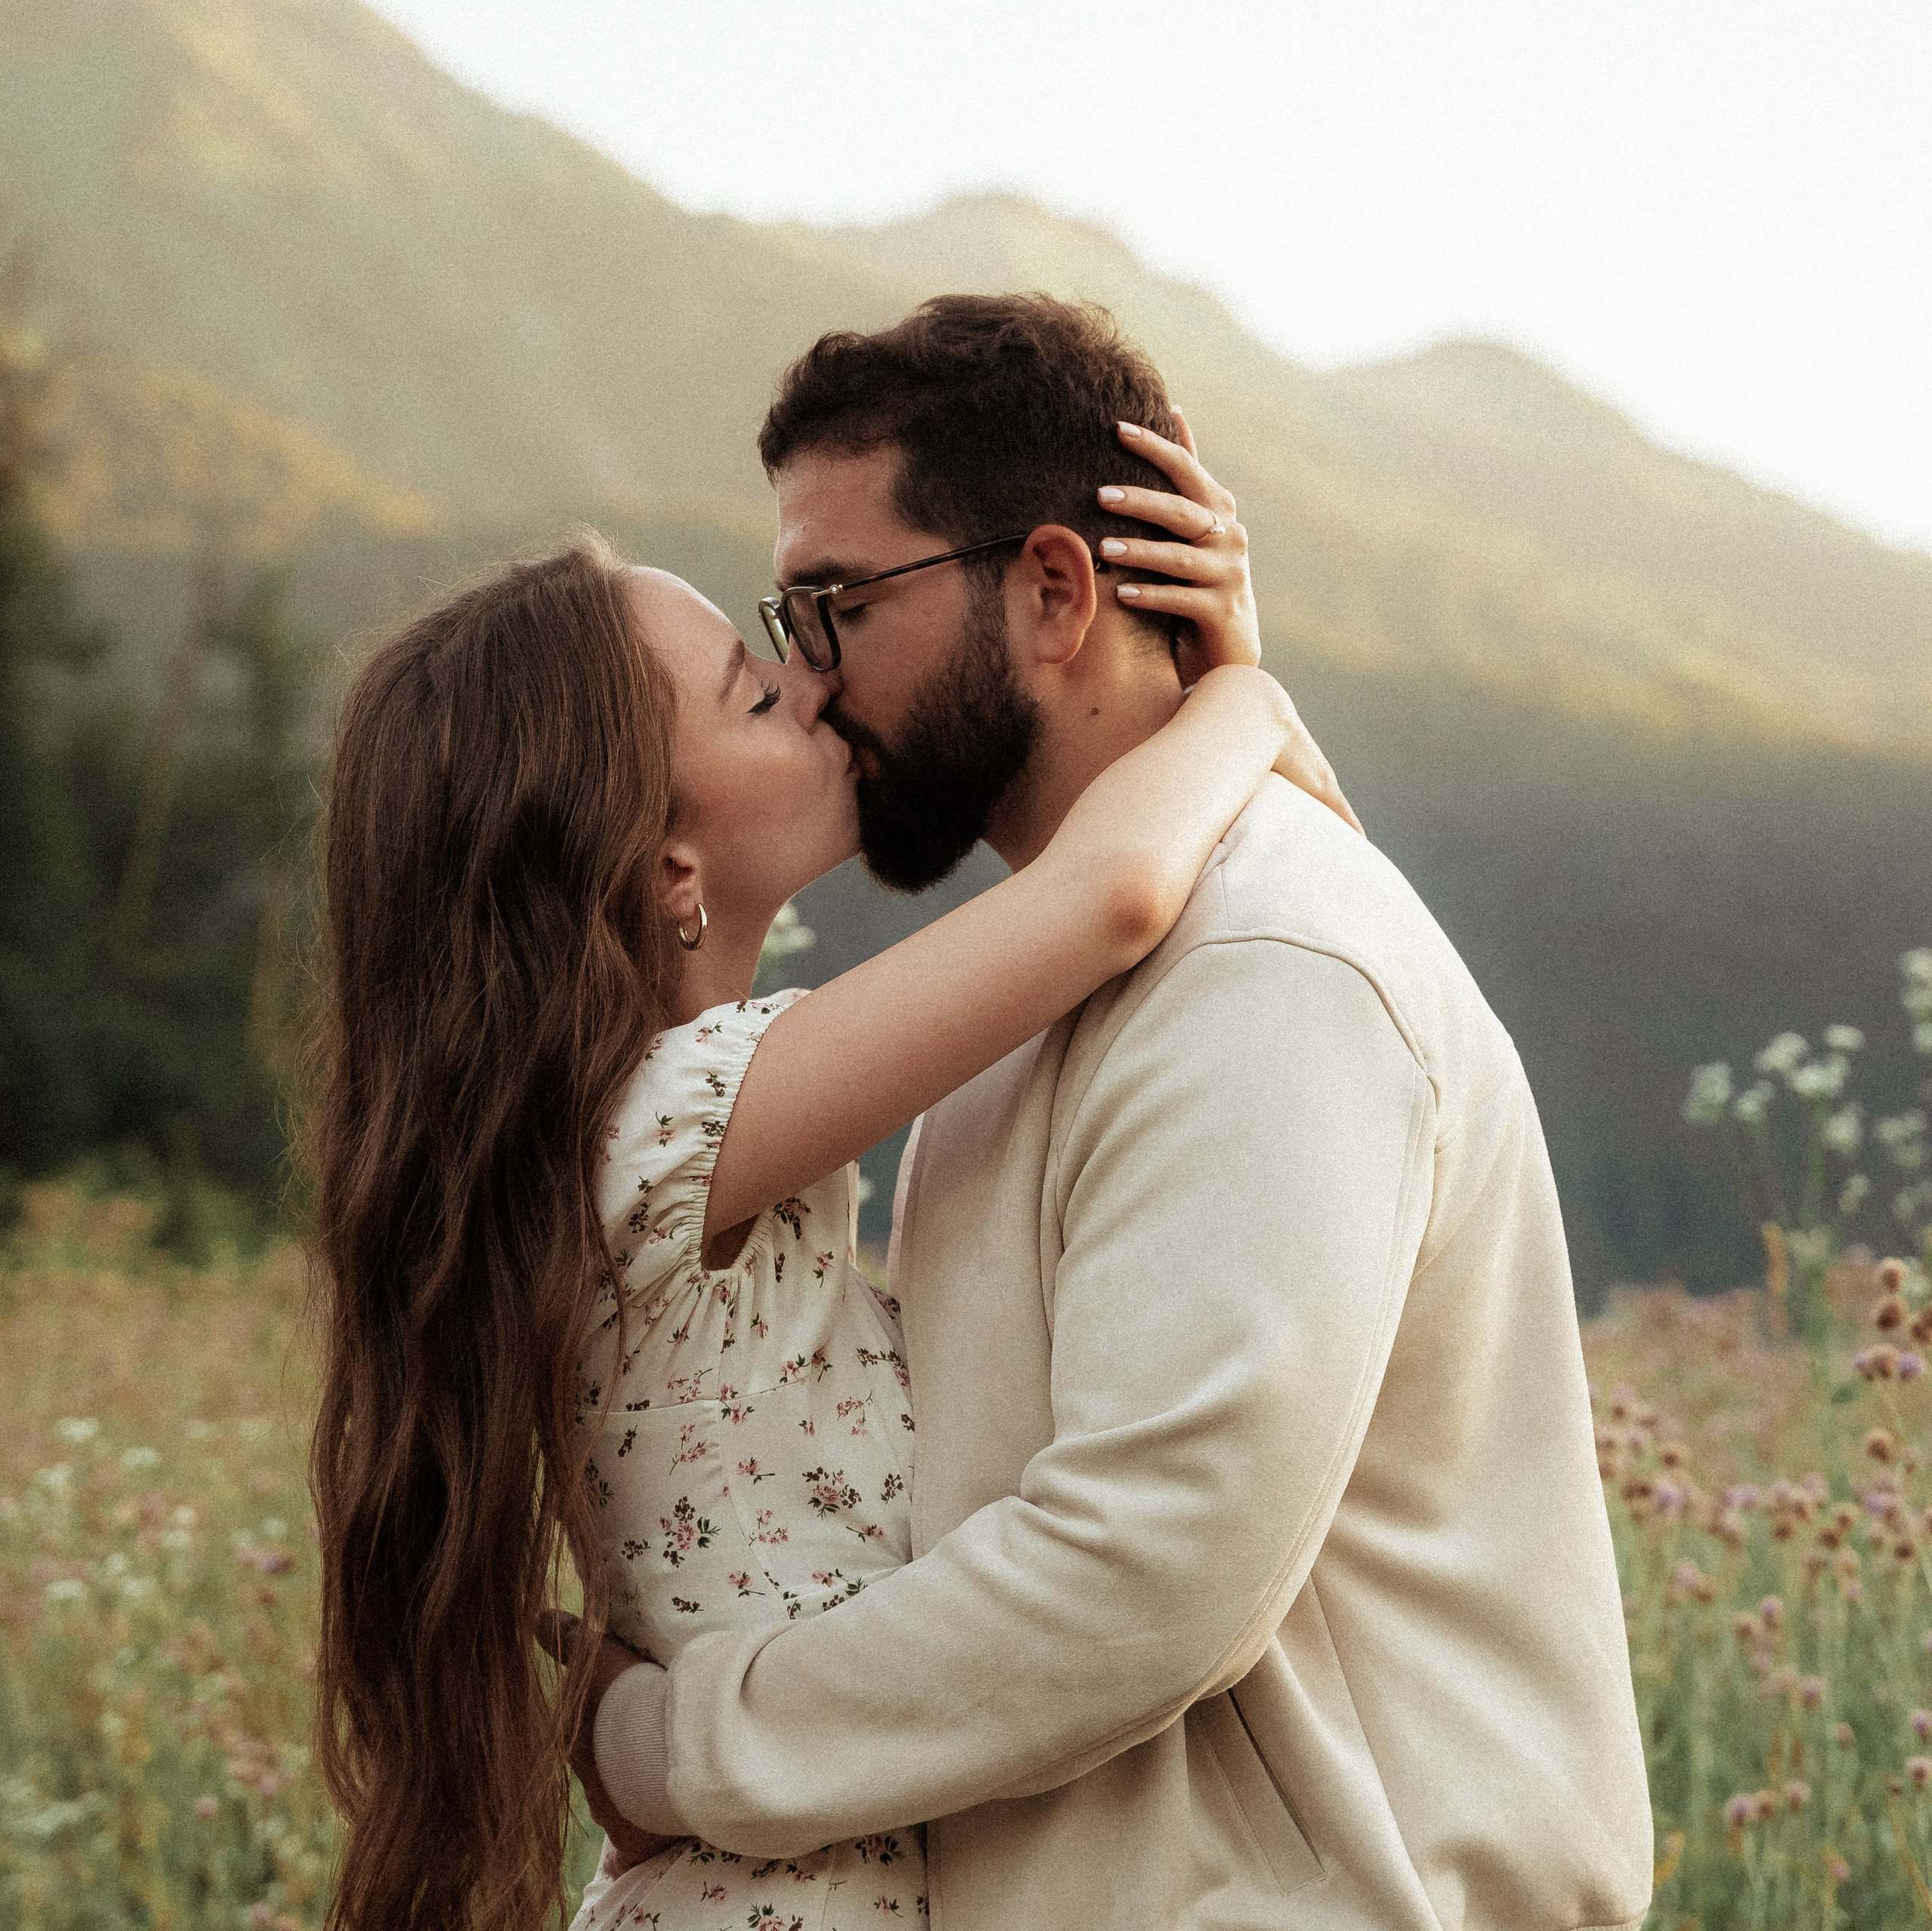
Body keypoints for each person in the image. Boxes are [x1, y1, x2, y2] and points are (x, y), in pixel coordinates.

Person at [566, 296, 1654, 1931]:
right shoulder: (1012, 1011)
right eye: (781, 623)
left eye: (837, 604)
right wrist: (1249, 707)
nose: (809, 676)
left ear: (1054, 590)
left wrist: (663, 1740)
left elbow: (1139, 1575)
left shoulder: (1268, 964)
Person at [306, 407, 1351, 1926]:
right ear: (670, 866)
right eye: (751, 695)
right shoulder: (668, 1126)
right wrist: (1240, 687)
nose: (813, 686)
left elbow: (1293, 949)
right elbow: (1119, 889)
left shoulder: (646, 1134)